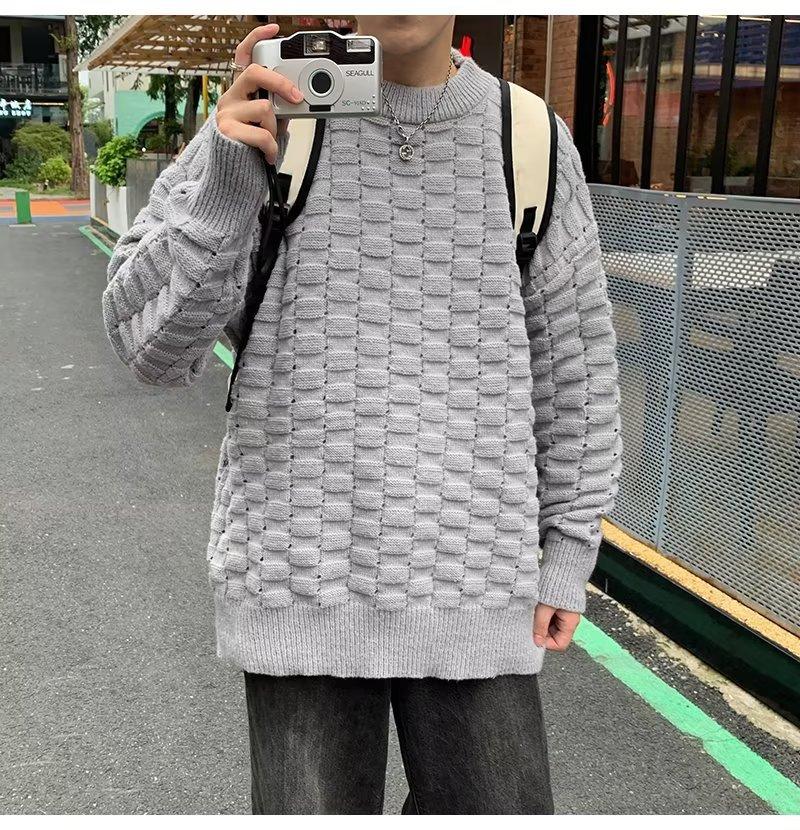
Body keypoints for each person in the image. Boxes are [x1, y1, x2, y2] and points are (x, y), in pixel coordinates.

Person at [101, 15, 622, 815]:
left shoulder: (529, 138)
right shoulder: (268, 115)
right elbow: (148, 347)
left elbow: (576, 371)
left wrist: (569, 548)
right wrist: (229, 178)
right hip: (298, 584)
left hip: (479, 584)